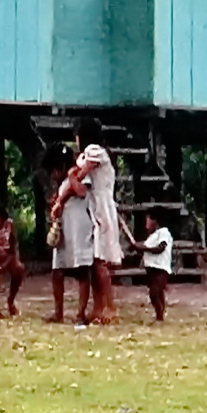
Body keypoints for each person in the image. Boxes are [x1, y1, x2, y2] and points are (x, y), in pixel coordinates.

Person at [57, 118, 121, 324]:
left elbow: (79, 175)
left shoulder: (95, 151)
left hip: (102, 207)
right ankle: (98, 307)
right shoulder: (89, 154)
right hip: (94, 209)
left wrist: (70, 178)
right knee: (94, 262)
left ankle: (110, 306)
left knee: (101, 262)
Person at [44, 145, 92, 323]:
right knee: (58, 270)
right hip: (64, 229)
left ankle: (81, 313)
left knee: (82, 271)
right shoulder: (61, 185)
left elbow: (80, 192)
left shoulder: (81, 175)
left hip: (79, 228)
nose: (52, 175)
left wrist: (72, 175)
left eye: (54, 170)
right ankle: (58, 312)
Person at [129, 207, 176, 322]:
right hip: (151, 269)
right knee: (156, 293)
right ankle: (159, 314)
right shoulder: (152, 237)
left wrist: (142, 248)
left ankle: (160, 316)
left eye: (148, 219)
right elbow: (146, 249)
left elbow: (160, 248)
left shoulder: (164, 232)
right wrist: (135, 248)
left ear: (155, 221)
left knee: (155, 291)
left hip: (160, 268)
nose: (146, 222)